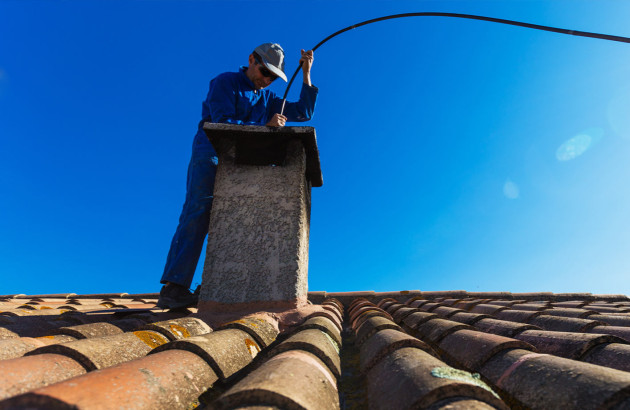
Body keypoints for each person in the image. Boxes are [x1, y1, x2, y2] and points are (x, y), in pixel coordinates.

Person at [157, 43, 318, 309]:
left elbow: (303, 112)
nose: (267, 80)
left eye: (273, 77)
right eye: (264, 71)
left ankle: (222, 286)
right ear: (251, 59)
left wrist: (307, 74)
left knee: (237, 215)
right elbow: (221, 121)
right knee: (199, 209)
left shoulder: (268, 99)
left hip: (240, 162)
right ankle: (174, 288)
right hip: (210, 152)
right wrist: (263, 125)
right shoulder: (225, 82)